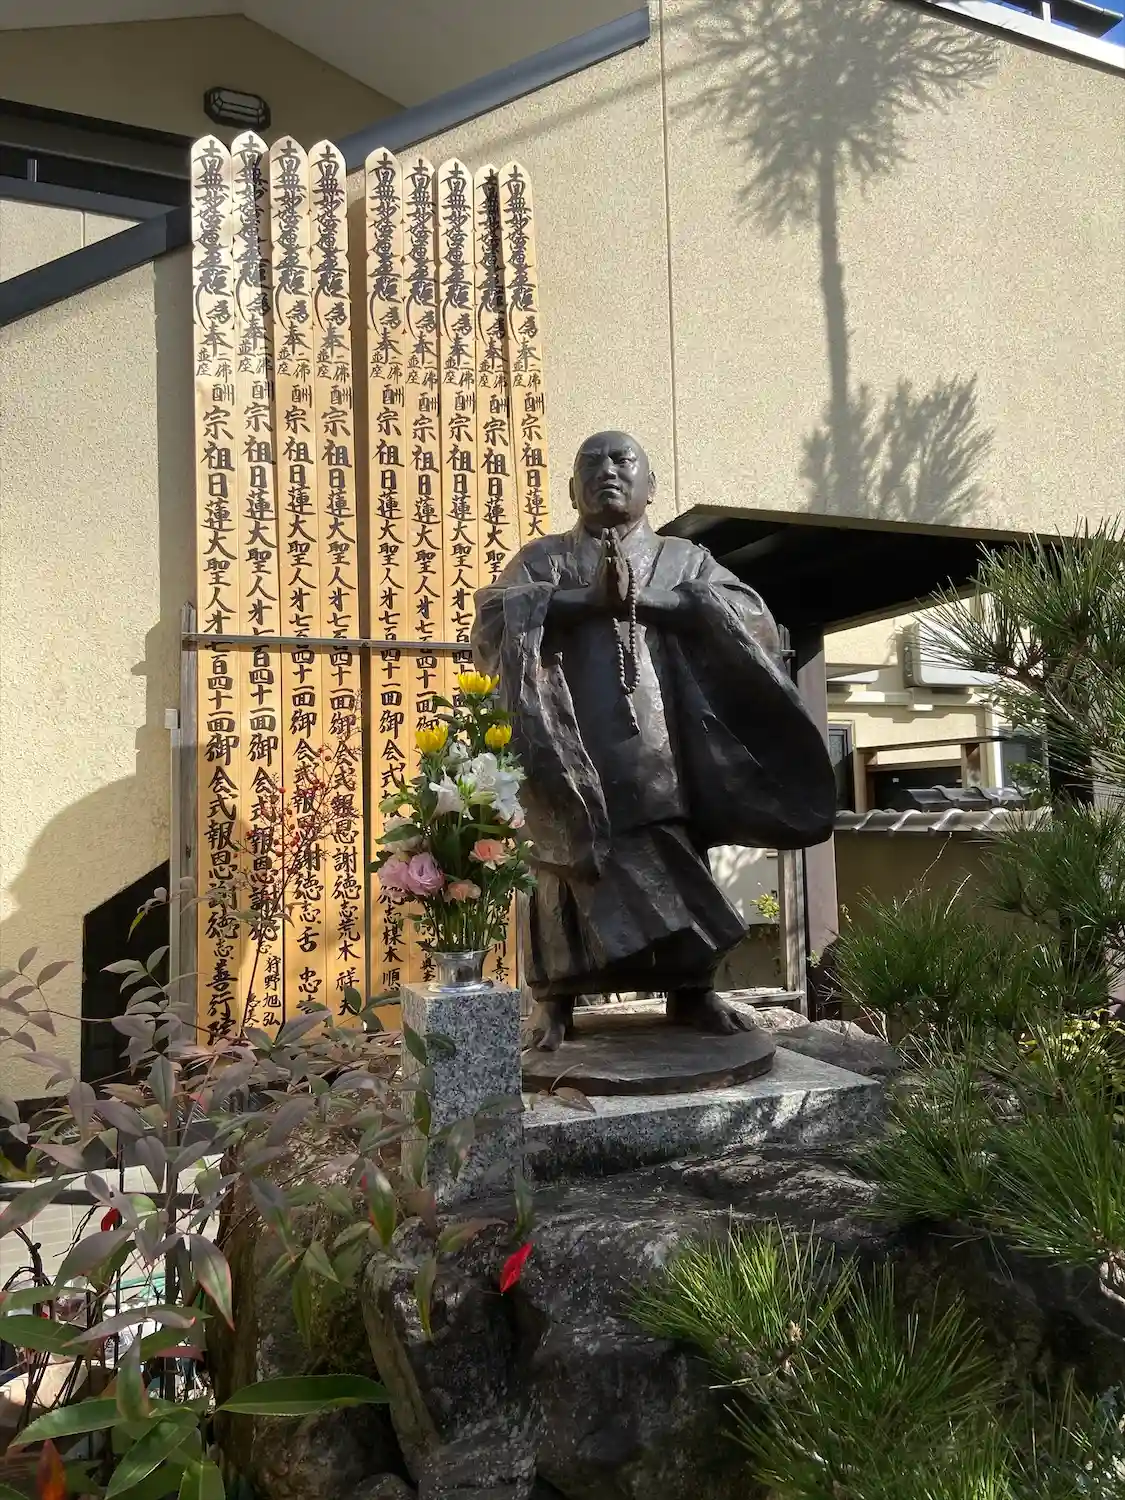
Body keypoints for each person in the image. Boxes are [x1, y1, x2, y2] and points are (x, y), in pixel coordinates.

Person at [471, 431, 835, 1050]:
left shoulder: (684, 560)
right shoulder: (542, 560)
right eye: (591, 463)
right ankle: (555, 1004)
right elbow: (491, 623)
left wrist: (660, 602)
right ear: (571, 489)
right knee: (564, 869)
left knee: (675, 855)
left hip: (662, 748)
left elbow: (752, 620)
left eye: (622, 460)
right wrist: (583, 602)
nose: (607, 472)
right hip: (565, 746)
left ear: (651, 485)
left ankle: (691, 991)